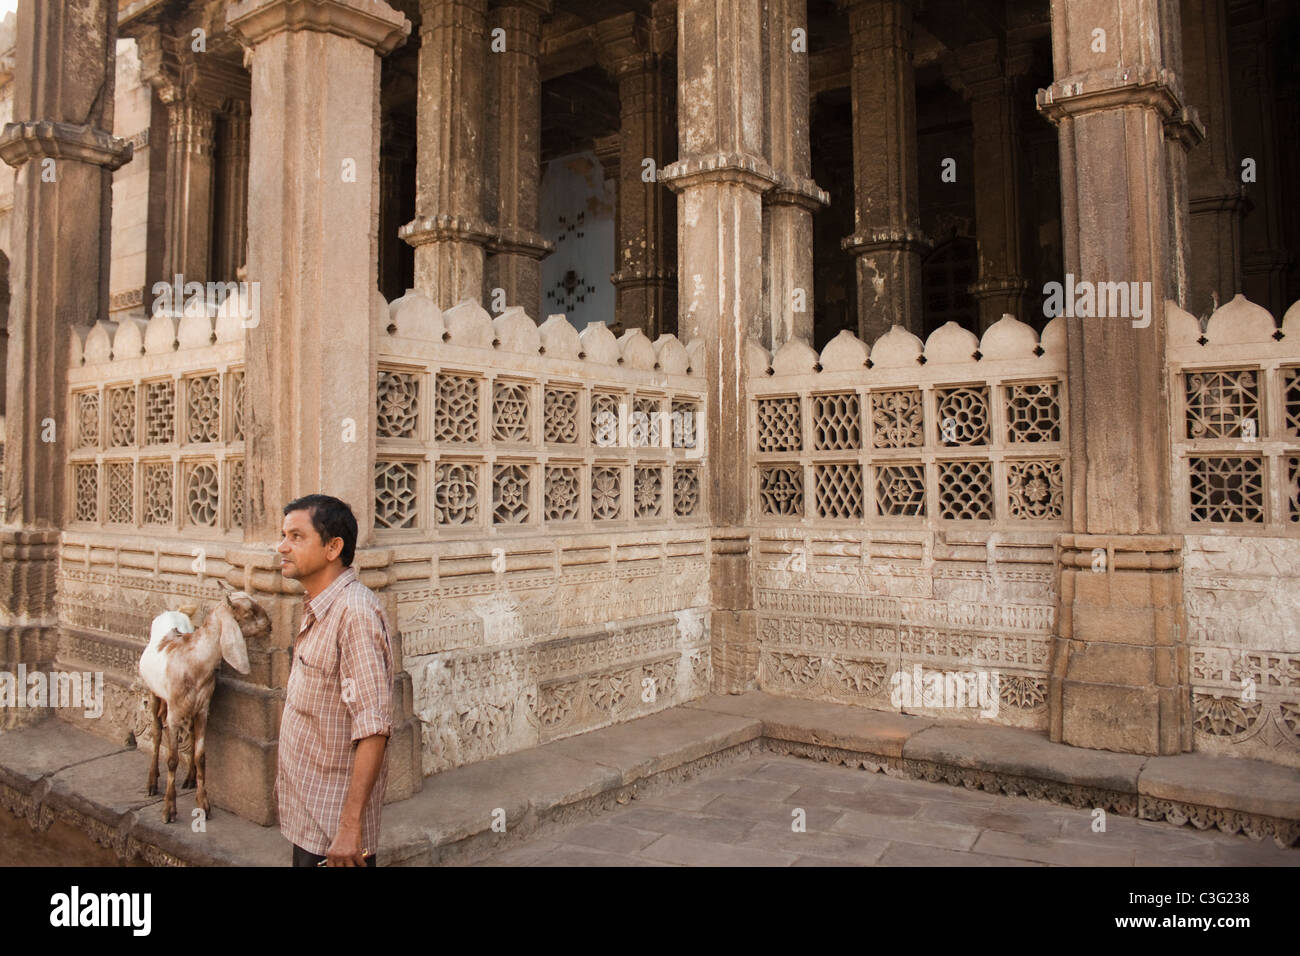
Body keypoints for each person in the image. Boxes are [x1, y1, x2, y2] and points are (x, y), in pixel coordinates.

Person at [275, 494, 393, 867]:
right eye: (284, 536)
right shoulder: (318, 605)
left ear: (333, 547)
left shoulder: (354, 614)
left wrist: (349, 828)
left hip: (334, 835)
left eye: (296, 537)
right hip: (309, 814)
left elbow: (373, 728)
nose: (282, 547)